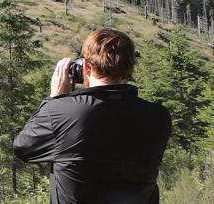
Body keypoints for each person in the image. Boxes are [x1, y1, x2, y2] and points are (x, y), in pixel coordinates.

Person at [13, 27, 172, 204]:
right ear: (130, 66)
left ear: (85, 66)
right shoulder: (159, 116)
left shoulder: (62, 112)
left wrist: (54, 99)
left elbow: (23, 148)